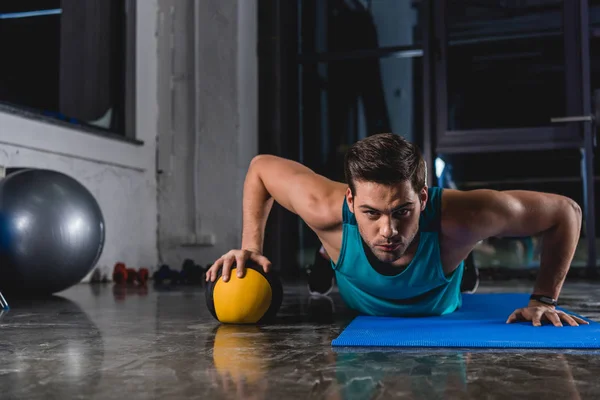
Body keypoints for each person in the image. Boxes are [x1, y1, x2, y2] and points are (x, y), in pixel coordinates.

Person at [206, 133, 587, 327]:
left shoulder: (466, 215)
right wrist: (250, 247)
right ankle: (328, 255)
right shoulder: (325, 206)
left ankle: (462, 265)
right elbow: (260, 168)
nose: (388, 229)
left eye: (403, 211)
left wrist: (545, 300)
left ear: (422, 197)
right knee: (341, 240)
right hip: (351, 264)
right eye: (372, 213)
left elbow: (565, 212)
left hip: (440, 276)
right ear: (352, 202)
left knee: (456, 244)